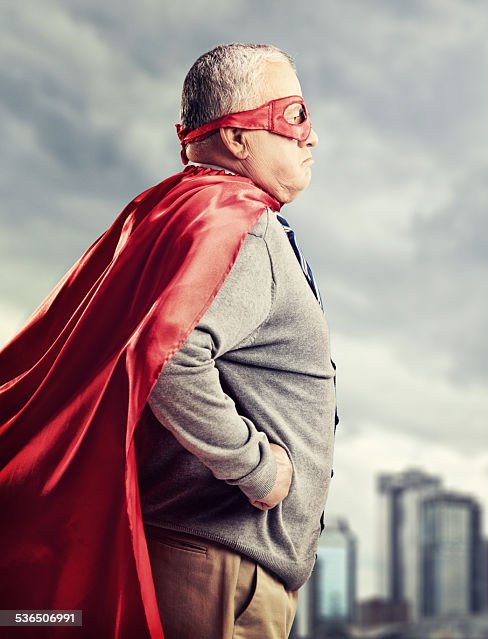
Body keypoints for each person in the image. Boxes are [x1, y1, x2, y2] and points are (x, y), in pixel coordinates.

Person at [0, 43, 336, 639]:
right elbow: (171, 354)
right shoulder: (237, 226)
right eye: (296, 115)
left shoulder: (174, 211)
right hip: (219, 573)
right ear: (236, 137)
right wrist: (257, 468)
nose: (311, 137)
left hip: (198, 558)